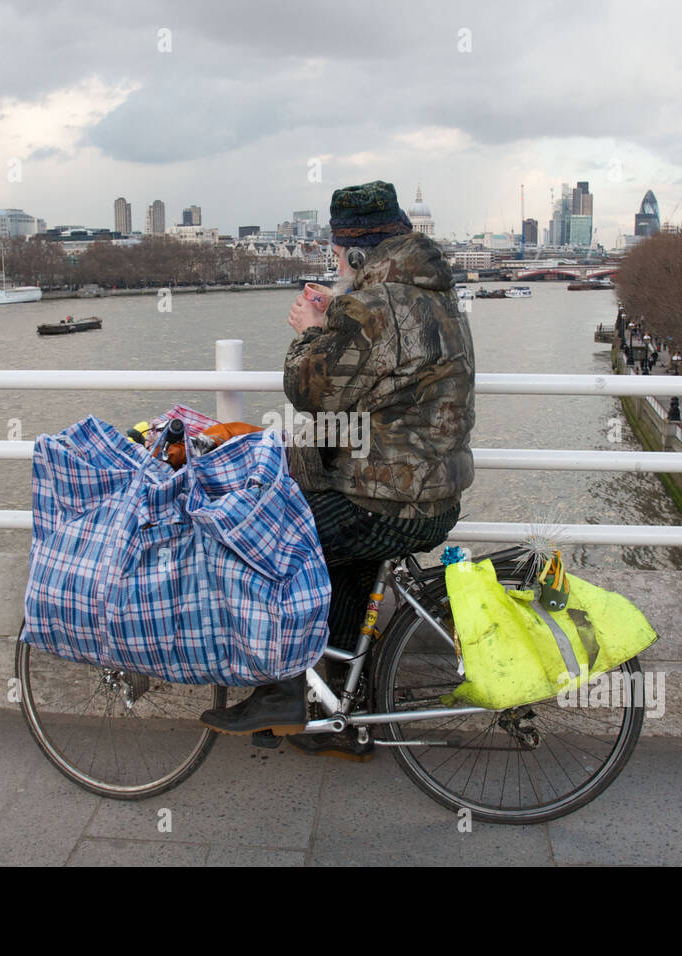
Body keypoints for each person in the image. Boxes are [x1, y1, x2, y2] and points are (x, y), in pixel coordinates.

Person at [199, 181, 475, 761]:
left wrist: (311, 330)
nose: (335, 262)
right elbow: (378, 382)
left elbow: (312, 391)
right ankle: (338, 721)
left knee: (274, 542)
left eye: (337, 251)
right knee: (343, 573)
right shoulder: (438, 295)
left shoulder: (373, 306)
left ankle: (279, 693)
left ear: (353, 252)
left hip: (389, 501)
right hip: (436, 494)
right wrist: (339, 321)